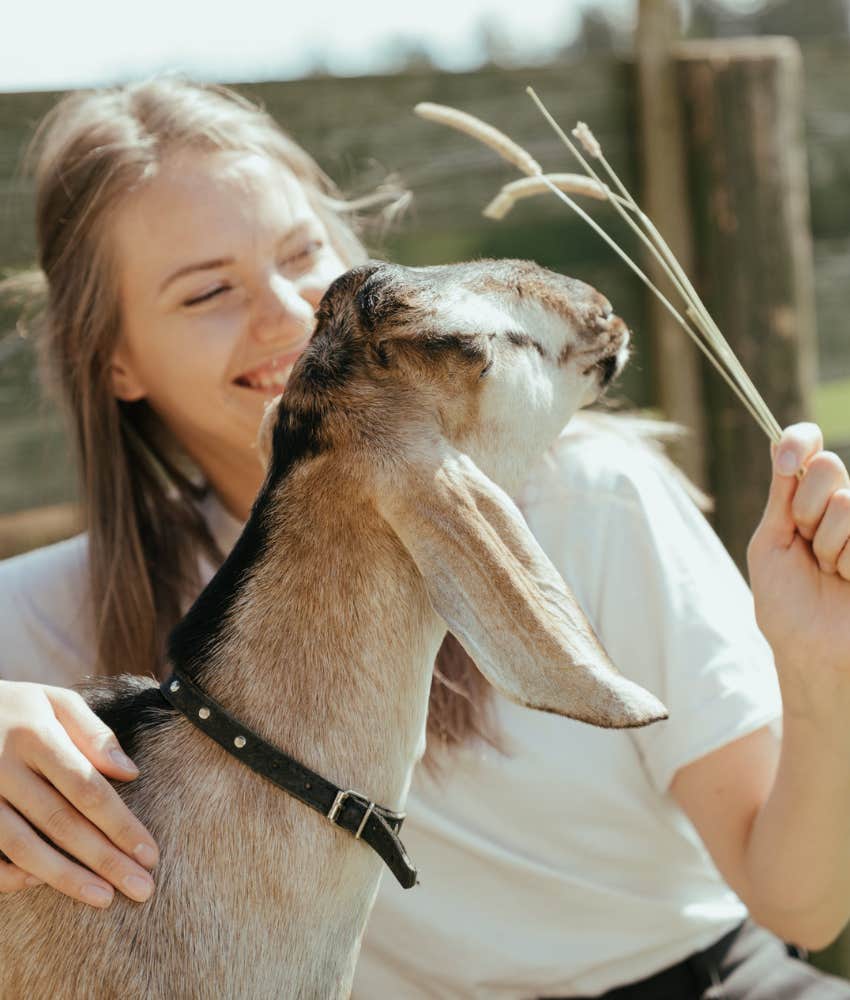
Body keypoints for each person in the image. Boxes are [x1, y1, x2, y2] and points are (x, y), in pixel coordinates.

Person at [1, 78, 850, 998]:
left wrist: (821, 676)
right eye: (208, 291)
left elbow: (801, 905)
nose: (285, 311)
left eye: (302, 252)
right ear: (115, 359)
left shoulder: (591, 505)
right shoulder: (61, 614)